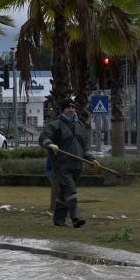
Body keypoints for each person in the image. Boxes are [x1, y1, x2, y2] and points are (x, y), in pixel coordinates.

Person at [39, 98, 101, 228]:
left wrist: (91, 159)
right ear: (63, 110)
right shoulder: (55, 125)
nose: (71, 110)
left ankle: (59, 220)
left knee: (64, 192)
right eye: (68, 107)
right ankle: (76, 218)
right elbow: (43, 138)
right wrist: (50, 144)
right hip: (62, 165)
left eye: (73, 107)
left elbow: (85, 147)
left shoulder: (80, 126)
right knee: (71, 190)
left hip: (77, 165)